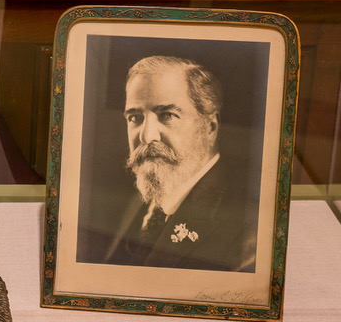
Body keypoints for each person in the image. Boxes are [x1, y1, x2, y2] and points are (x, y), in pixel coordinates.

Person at [101, 55, 257, 272]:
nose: (147, 137)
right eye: (135, 117)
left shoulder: (248, 233)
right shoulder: (142, 194)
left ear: (210, 127)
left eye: (167, 115)